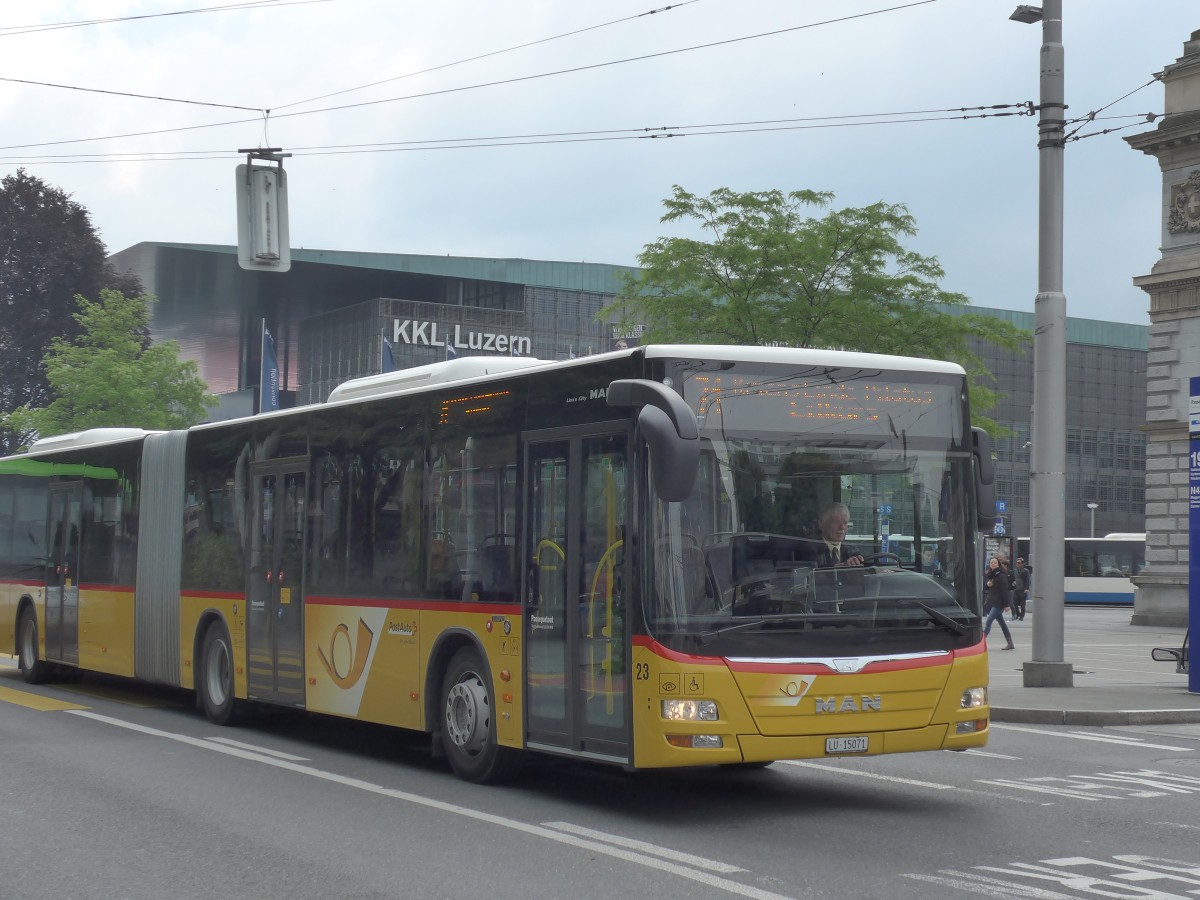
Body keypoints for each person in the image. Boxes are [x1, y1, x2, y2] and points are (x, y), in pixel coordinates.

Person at [807, 502, 864, 567]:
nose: (842, 527)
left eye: (845, 523)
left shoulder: (853, 551)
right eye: (836, 522)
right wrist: (839, 568)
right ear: (821, 524)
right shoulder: (810, 550)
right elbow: (813, 573)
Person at [983, 556, 1015, 649]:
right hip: (993, 601)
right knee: (1002, 623)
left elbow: (1004, 590)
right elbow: (987, 587)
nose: (993, 564)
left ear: (998, 564)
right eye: (991, 562)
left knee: (988, 621)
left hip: (999, 603)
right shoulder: (990, 574)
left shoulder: (1001, 575)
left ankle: (981, 643)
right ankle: (1010, 643)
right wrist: (987, 585)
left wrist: (1006, 605)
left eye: (995, 562)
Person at [1011, 557, 1031, 621]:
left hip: (1023, 590)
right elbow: (1012, 579)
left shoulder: (1026, 571)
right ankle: (1017, 614)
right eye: (1017, 563)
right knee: (1014, 603)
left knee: (1022, 604)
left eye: (1019, 563)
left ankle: (1021, 616)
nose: (1017, 564)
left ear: (1022, 564)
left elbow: (1027, 580)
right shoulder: (1014, 571)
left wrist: (1026, 588)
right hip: (1015, 590)